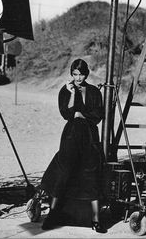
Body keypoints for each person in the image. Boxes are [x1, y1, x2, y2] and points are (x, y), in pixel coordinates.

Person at [40, 58, 107, 233]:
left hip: (90, 135)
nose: (78, 78)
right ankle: (52, 215)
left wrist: (81, 114)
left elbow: (98, 114)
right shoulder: (66, 89)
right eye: (75, 74)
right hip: (71, 135)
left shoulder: (93, 91)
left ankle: (96, 219)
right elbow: (66, 113)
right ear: (71, 74)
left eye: (81, 74)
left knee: (91, 174)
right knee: (63, 172)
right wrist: (70, 94)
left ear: (86, 73)